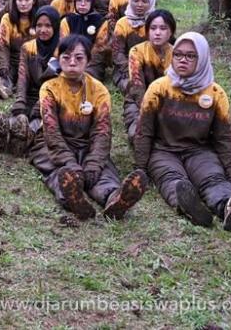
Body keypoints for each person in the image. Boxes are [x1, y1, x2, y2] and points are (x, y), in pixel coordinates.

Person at [134, 32, 231, 231]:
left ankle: (229, 207)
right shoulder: (159, 88)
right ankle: (190, 209)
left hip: (199, 151)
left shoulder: (215, 93)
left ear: (203, 58)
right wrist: (140, 168)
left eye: (191, 56)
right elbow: (144, 131)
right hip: (163, 150)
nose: (183, 60)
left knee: (212, 178)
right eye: (178, 54)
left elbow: (224, 138)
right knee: (173, 179)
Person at [29, 35, 146, 220]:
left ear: (88, 60)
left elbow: (102, 131)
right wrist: (68, 162)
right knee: (58, 172)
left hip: (86, 144)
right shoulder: (49, 88)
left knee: (102, 171)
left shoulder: (99, 90)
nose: (72, 62)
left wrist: (93, 163)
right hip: (52, 145)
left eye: (79, 57)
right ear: (59, 59)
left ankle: (114, 198)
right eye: (66, 57)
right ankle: (73, 199)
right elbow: (51, 131)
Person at [0, 5, 60, 156]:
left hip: (52, 100)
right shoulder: (27, 47)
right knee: (19, 117)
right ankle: (5, 138)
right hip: (31, 96)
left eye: (48, 26)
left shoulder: (63, 51)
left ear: (56, 27)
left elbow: (58, 84)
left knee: (38, 124)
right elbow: (23, 77)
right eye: (39, 25)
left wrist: (41, 104)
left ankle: (23, 142)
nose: (43, 30)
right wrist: (20, 101)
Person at [123, 10, 175, 143]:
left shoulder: (177, 54)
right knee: (139, 135)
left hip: (169, 103)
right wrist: (150, 110)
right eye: (153, 28)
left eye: (163, 28)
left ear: (171, 32)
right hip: (138, 102)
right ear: (147, 31)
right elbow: (137, 86)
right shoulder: (137, 51)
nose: (157, 32)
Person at [0, 0, 40, 99]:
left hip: (33, 60)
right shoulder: (8, 18)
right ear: (15, 1)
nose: (23, 3)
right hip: (13, 60)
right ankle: (5, 86)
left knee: (32, 78)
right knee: (6, 75)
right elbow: (3, 45)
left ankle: (22, 87)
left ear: (34, 1)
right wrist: (4, 67)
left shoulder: (40, 18)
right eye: (20, 0)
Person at [112, 0, 156, 94]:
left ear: (151, 2)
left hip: (152, 66)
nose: (140, 5)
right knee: (133, 87)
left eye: (144, 1)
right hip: (126, 68)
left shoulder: (156, 22)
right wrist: (130, 70)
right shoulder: (122, 23)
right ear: (130, 1)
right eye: (136, 1)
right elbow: (117, 52)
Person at [60, 0, 108, 81]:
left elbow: (100, 46)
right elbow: (63, 44)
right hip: (70, 58)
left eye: (87, 0)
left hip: (93, 61)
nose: (82, 4)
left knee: (86, 77)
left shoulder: (100, 21)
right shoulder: (67, 20)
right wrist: (74, 59)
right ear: (74, 1)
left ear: (92, 2)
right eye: (79, 0)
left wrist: (85, 60)